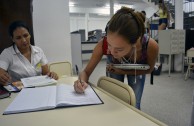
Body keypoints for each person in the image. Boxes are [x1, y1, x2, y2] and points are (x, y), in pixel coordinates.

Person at [74, 7, 159, 110]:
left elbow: (149, 69)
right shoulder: (103, 44)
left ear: (134, 42)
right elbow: (86, 72)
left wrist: (121, 70)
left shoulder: (150, 46)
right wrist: (81, 82)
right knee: (114, 100)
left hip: (138, 70)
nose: (111, 52)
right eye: (109, 44)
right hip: (115, 67)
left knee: (135, 103)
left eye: (119, 49)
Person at [0, 21, 58, 86]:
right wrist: (2, 77)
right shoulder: (7, 53)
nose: (24, 40)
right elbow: (1, 72)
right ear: (13, 39)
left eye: (26, 35)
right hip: (19, 91)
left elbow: (46, 73)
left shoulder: (38, 51)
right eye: (18, 38)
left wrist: (51, 75)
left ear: (30, 35)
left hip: (39, 87)